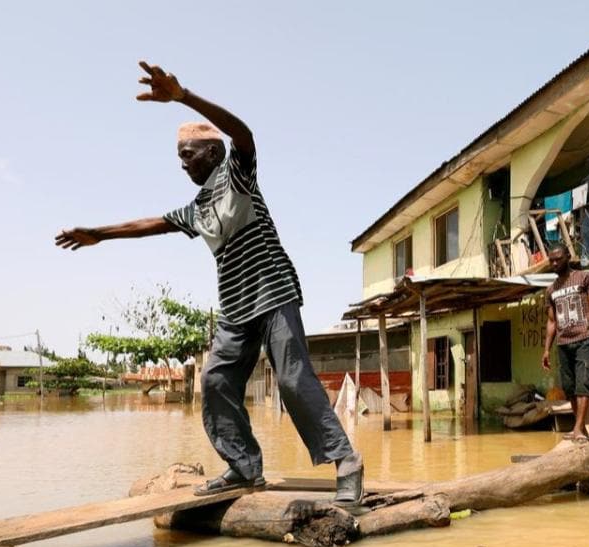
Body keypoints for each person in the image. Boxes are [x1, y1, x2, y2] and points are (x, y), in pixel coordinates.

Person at [55, 62, 364, 503]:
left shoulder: (237, 173)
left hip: (272, 292)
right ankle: (243, 467)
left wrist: (183, 96)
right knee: (216, 381)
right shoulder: (197, 207)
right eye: (179, 158)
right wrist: (99, 234)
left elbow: (244, 134)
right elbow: (155, 222)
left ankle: (346, 461)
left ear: (212, 152)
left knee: (294, 381)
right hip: (235, 308)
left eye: (187, 155)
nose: (182, 165)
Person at [541, 244, 589, 442]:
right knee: (569, 388)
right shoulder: (550, 290)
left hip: (584, 339)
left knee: (583, 384)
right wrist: (546, 350)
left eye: (558, 258)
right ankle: (581, 428)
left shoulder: (585, 277)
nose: (554, 263)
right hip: (563, 344)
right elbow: (552, 322)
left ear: (568, 257)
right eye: (551, 260)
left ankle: (577, 428)